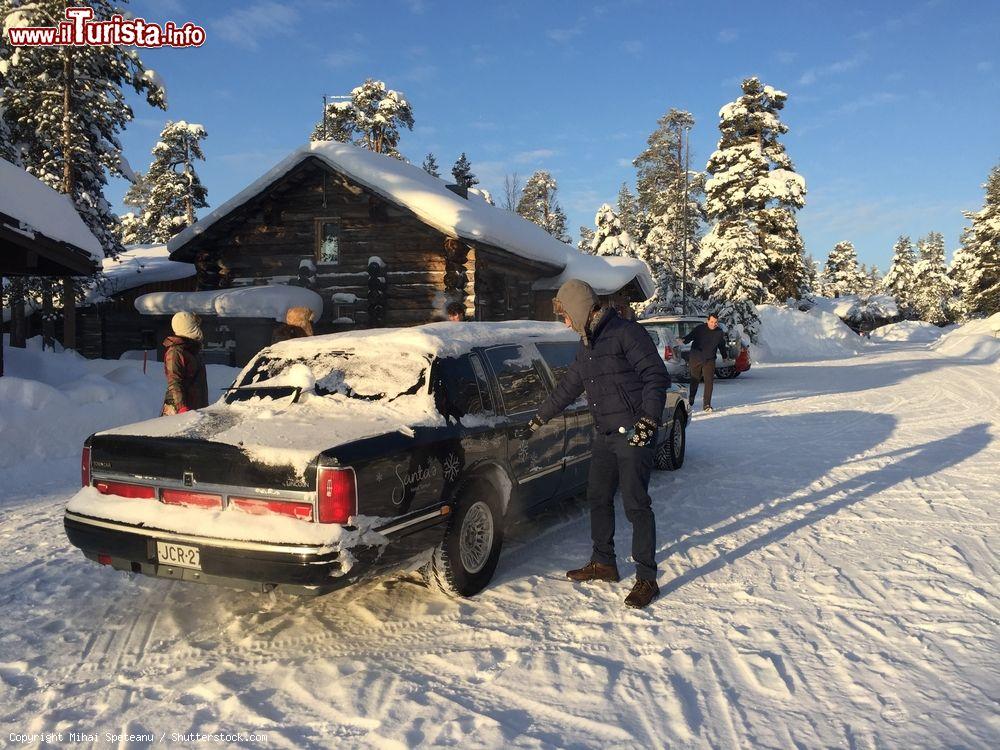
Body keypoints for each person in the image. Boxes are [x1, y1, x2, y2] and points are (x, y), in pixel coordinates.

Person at [524, 279, 670, 608]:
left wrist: (648, 421)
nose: (565, 322)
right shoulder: (587, 343)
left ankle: (647, 578)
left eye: (565, 315)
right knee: (598, 496)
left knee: (636, 504)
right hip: (605, 433)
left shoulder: (625, 333)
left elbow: (655, 376)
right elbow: (568, 386)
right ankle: (603, 562)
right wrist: (540, 417)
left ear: (579, 308)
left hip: (633, 432)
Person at [161, 312, 208, 416]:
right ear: (188, 327)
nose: (199, 329)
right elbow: (174, 383)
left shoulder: (192, 350)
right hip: (179, 411)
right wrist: (182, 407)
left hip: (196, 408)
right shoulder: (175, 352)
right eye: (195, 326)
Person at [678, 313, 727, 412]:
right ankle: (690, 401)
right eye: (712, 322)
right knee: (694, 380)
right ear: (708, 321)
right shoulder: (700, 329)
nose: (713, 324)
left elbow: (722, 345)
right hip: (696, 358)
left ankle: (707, 405)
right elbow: (690, 337)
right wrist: (683, 340)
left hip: (709, 360)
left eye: (716, 322)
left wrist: (725, 356)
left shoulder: (719, 332)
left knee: (709, 382)